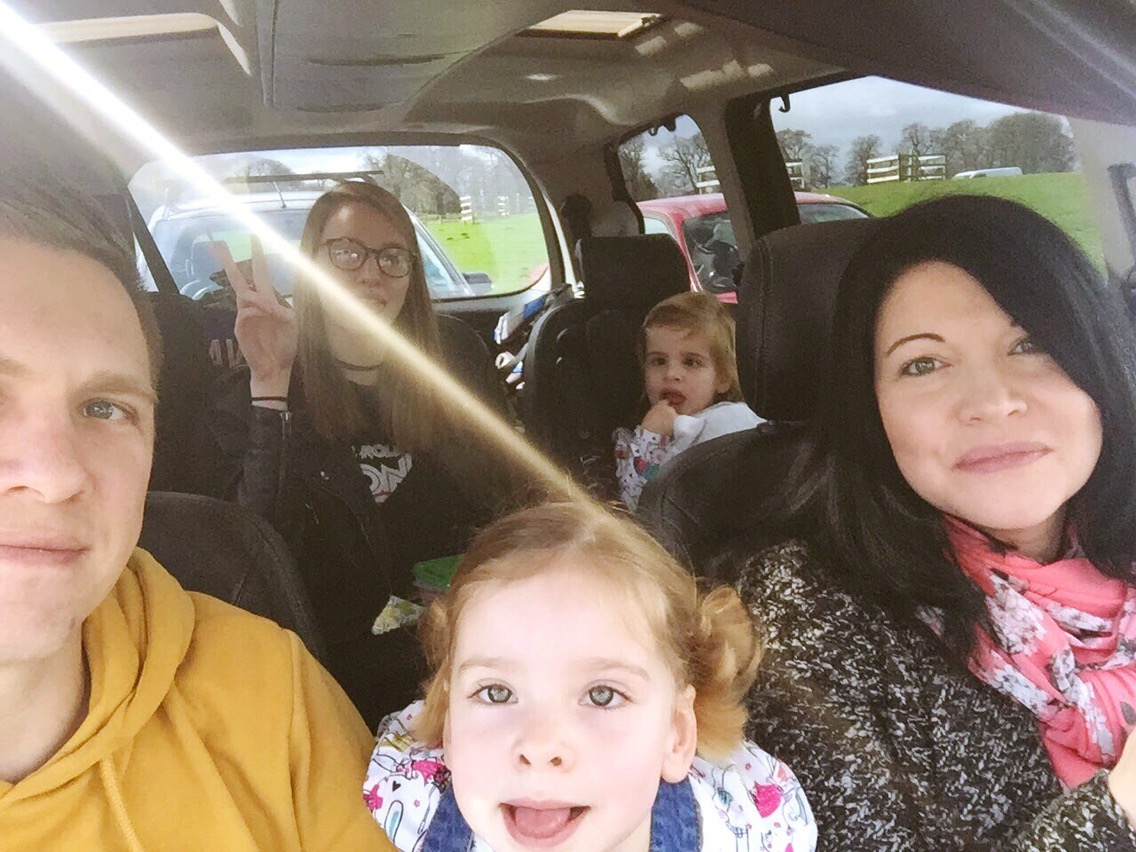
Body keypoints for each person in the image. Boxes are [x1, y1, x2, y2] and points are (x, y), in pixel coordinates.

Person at [731, 195, 1136, 848]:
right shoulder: (807, 612)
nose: (992, 402)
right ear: (872, 408)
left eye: (1031, 343)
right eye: (923, 364)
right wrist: (1119, 809)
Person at [0, 176, 388, 848]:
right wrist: (270, 387)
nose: (56, 477)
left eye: (104, 408)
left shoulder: (268, 691)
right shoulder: (236, 408)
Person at [207, 181, 521, 728]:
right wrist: (271, 388)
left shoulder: (457, 368)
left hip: (463, 654)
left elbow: (508, 502)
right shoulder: (256, 392)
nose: (372, 273)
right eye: (348, 253)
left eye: (392, 257)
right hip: (327, 673)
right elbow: (254, 559)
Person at [363, 501, 817, 851]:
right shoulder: (410, 805)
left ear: (676, 736)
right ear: (448, 725)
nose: (540, 747)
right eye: (496, 692)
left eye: (602, 695)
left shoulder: (746, 833)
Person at [614, 292, 761, 510]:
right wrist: (650, 438)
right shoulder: (637, 437)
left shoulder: (731, 430)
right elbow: (636, 507)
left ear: (722, 378)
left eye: (691, 362)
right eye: (658, 361)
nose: (671, 374)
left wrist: (651, 438)